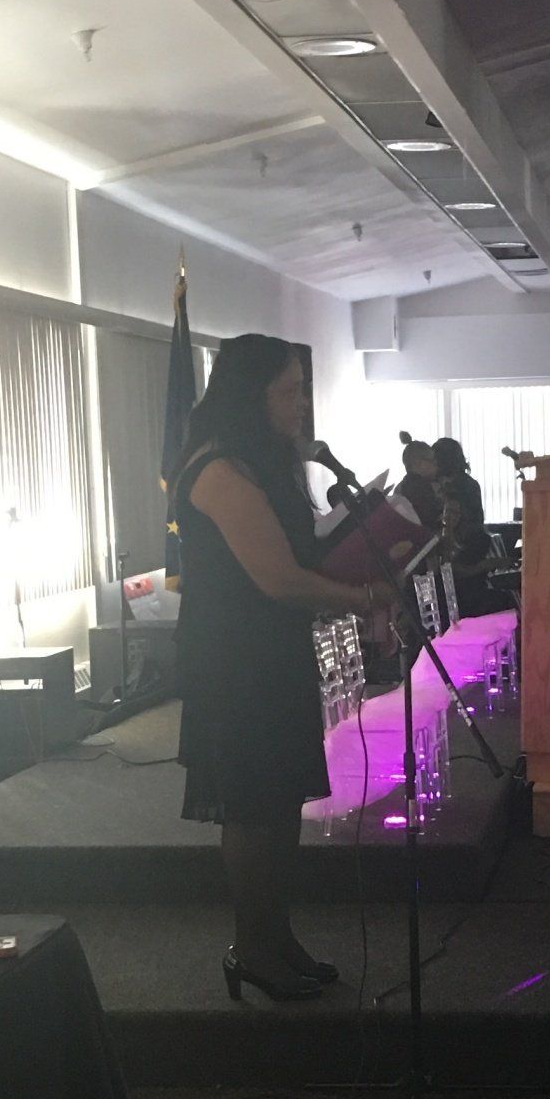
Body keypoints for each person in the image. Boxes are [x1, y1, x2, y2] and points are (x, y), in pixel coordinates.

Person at [172, 334, 388, 1003]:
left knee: (280, 801)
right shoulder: (219, 472)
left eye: (302, 388)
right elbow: (278, 579)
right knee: (252, 806)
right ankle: (252, 948)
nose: (301, 404)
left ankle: (277, 939)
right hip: (233, 662)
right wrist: (363, 597)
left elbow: (297, 553)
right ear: (251, 395)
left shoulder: (259, 463)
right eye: (289, 391)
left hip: (269, 652)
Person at [431, 435, 494, 615]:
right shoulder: (470, 484)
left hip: (463, 546)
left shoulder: (457, 486)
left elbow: (469, 520)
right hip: (468, 543)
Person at [393, 437, 443, 532]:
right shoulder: (423, 487)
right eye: (432, 460)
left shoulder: (399, 488)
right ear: (419, 463)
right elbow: (429, 520)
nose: (436, 464)